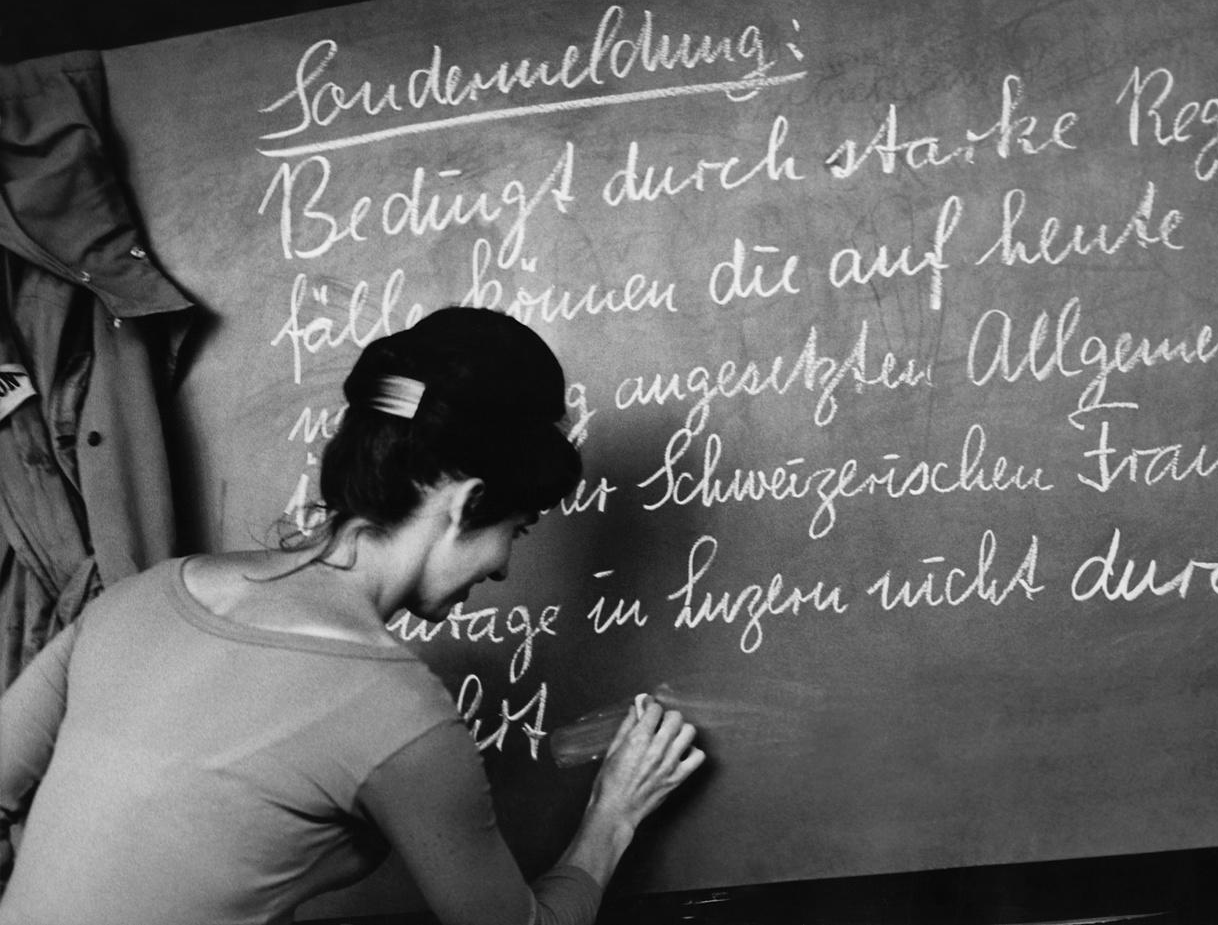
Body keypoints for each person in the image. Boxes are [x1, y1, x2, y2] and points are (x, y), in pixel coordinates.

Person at [0, 306, 706, 924]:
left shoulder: (138, 597)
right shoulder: (397, 712)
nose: (503, 568)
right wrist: (614, 812)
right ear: (463, 503)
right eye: (514, 530)